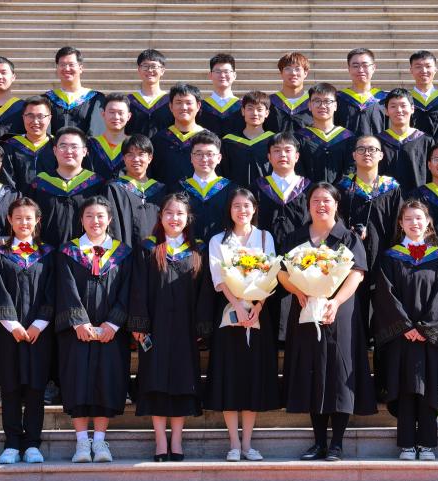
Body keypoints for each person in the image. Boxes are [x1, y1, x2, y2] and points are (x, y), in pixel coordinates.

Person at [278, 183, 376, 462]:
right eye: (315, 201)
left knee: (338, 371)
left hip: (340, 311)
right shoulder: (297, 237)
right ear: (308, 205)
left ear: (336, 205)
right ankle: (319, 442)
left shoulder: (348, 237)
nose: (321, 205)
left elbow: (357, 274)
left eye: (326, 200)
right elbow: (281, 271)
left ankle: (337, 443)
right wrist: (298, 290)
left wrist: (336, 301)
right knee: (313, 370)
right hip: (306, 308)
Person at [130, 193, 210, 462]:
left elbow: (204, 292)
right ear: (160, 216)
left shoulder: (198, 250)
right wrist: (140, 324)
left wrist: (201, 327)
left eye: (179, 214)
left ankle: (176, 440)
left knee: (182, 382)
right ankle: (160, 440)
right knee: (155, 381)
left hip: (185, 329)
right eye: (169, 213)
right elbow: (138, 288)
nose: (174, 218)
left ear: (188, 218)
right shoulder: (147, 247)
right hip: (155, 327)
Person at [54, 197, 134, 463]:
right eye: (89, 216)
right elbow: (65, 288)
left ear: (109, 219)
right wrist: (78, 321)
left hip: (111, 333)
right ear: (81, 220)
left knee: (106, 382)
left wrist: (113, 323)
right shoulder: (68, 252)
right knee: (77, 382)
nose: (95, 221)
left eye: (100, 216)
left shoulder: (123, 253)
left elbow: (128, 290)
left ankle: (99, 442)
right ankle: (81, 443)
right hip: (77, 331)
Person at [204, 189, 281, 461]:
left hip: (259, 314)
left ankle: (248, 444)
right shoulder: (218, 240)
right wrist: (238, 305)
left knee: (252, 378)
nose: (242, 211)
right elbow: (219, 278)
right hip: (229, 313)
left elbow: (271, 275)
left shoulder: (265, 237)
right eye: (236, 206)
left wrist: (257, 306)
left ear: (255, 208)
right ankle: (234, 444)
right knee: (230, 377)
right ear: (229, 210)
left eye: (246, 205)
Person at [374, 200, 438, 461]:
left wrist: (425, 327)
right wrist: (405, 326)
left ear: (428, 221)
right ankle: (407, 444)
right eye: (408, 219)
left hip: (430, 336)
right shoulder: (390, 257)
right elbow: (386, 294)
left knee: (429, 388)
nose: (414, 223)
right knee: (406, 388)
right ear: (401, 224)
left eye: (418, 218)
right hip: (401, 335)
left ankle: (427, 444)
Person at [0, 198, 55, 464]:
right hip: (7, 332)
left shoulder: (48, 254)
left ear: (37, 221)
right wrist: (12, 325)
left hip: (39, 332)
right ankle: (12, 443)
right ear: (9, 221)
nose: (24, 223)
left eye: (28, 218)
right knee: (10, 386)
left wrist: (39, 323)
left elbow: (53, 291)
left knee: (36, 387)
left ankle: (33, 443)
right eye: (18, 218)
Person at [337, 136, 403, 292]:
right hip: (350, 260)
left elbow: (398, 226)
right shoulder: (342, 187)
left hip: (383, 258)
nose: (366, 153)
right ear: (354, 155)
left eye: (372, 149)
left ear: (381, 155)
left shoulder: (391, 188)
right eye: (361, 149)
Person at [29, 127, 104, 247]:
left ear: (84, 151)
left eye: (74, 147)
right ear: (55, 151)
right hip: (45, 252)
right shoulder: (39, 184)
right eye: (63, 146)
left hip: (85, 253)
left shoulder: (97, 184)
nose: (69, 151)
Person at [102, 134, 164, 246]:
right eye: (130, 154)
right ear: (124, 158)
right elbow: (113, 227)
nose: (136, 159)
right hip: (126, 251)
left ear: (150, 158)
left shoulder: (160, 189)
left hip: (156, 251)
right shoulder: (114, 189)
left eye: (141, 154)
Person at [255, 132, 311, 247]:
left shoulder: (308, 188)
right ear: (269, 157)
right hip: (263, 250)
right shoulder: (257, 188)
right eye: (277, 150)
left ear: (297, 156)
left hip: (302, 251)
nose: (282, 155)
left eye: (288, 150)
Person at [179, 131, 235, 241]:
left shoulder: (231, 190)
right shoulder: (179, 189)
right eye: (198, 154)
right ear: (191, 157)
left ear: (219, 158)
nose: (204, 159)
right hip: (187, 249)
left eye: (210, 154)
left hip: (221, 248)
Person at [377, 88, 433, 194]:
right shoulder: (378, 141)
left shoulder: (426, 141)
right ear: (386, 111)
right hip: (385, 200)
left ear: (412, 109)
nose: (399, 110)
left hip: (418, 200)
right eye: (393, 106)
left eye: (403, 105)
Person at [298, 83, 355, 185]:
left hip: (340, 193)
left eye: (327, 101)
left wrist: (338, 190)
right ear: (309, 105)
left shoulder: (348, 137)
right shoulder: (299, 137)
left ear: (335, 106)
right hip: (309, 193)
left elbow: (350, 170)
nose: (322, 106)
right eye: (317, 101)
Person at [151, 83, 206, 187]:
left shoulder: (208, 139)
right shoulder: (159, 140)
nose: (184, 107)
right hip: (166, 196)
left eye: (188, 103)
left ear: (198, 106)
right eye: (178, 102)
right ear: (170, 106)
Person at [0, 96, 56, 196]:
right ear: (23, 117)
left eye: (40, 116)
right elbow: (7, 183)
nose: (35, 121)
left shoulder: (57, 146)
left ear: (49, 118)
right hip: (20, 204)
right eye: (30, 116)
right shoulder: (10, 147)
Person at [45, 46, 105, 136]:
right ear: (57, 68)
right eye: (62, 64)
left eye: (71, 64)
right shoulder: (47, 99)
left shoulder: (96, 99)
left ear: (80, 68)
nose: (67, 68)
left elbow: (97, 132)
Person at [221, 90, 275, 188]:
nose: (255, 113)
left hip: (266, 193)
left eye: (259, 109)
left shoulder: (273, 141)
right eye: (250, 109)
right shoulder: (229, 142)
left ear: (267, 113)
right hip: (235, 194)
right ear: (243, 111)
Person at [335, 47, 387, 136]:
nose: (360, 70)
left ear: (373, 68)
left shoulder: (384, 99)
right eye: (355, 66)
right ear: (349, 69)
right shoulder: (337, 99)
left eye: (365, 65)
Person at [408, 50, 438, 143]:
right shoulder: (405, 100)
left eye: (428, 66)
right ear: (411, 70)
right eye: (418, 67)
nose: (424, 71)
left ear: (435, 70)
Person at [127, 49, 174, 137]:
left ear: (162, 70)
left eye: (154, 66)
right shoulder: (129, 101)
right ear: (139, 70)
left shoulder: (171, 101)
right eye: (145, 66)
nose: (149, 70)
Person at [86, 93, 132, 181]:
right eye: (112, 112)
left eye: (121, 113)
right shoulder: (90, 145)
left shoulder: (134, 145)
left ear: (128, 116)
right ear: (103, 114)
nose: (116, 117)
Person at [198, 53, 245, 138]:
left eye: (226, 71)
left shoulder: (243, 106)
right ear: (210, 75)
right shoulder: (200, 107)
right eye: (218, 71)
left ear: (234, 75)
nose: (222, 75)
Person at [266, 52, 313, 133]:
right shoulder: (269, 102)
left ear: (305, 73)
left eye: (297, 69)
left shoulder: (314, 103)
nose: (293, 73)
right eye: (288, 68)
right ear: (281, 73)